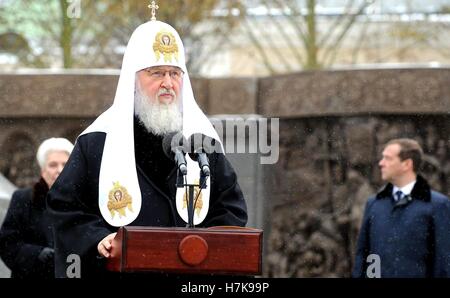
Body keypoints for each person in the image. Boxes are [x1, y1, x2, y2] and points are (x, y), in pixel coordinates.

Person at [46, 12, 247, 278]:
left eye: (175, 73)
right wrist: (97, 238)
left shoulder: (201, 141)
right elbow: (64, 207)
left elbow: (231, 209)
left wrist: (207, 248)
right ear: (133, 78)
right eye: (157, 73)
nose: (168, 83)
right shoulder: (97, 142)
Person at [352, 138, 450, 278]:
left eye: (388, 158)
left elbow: (444, 263)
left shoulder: (437, 205)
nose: (381, 163)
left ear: (407, 164)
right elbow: (363, 256)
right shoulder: (374, 204)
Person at [0, 137, 74, 278]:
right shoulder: (23, 199)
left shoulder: (80, 201)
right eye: (52, 165)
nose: (59, 170)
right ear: (42, 170)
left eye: (64, 164)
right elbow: (7, 244)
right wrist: (38, 254)